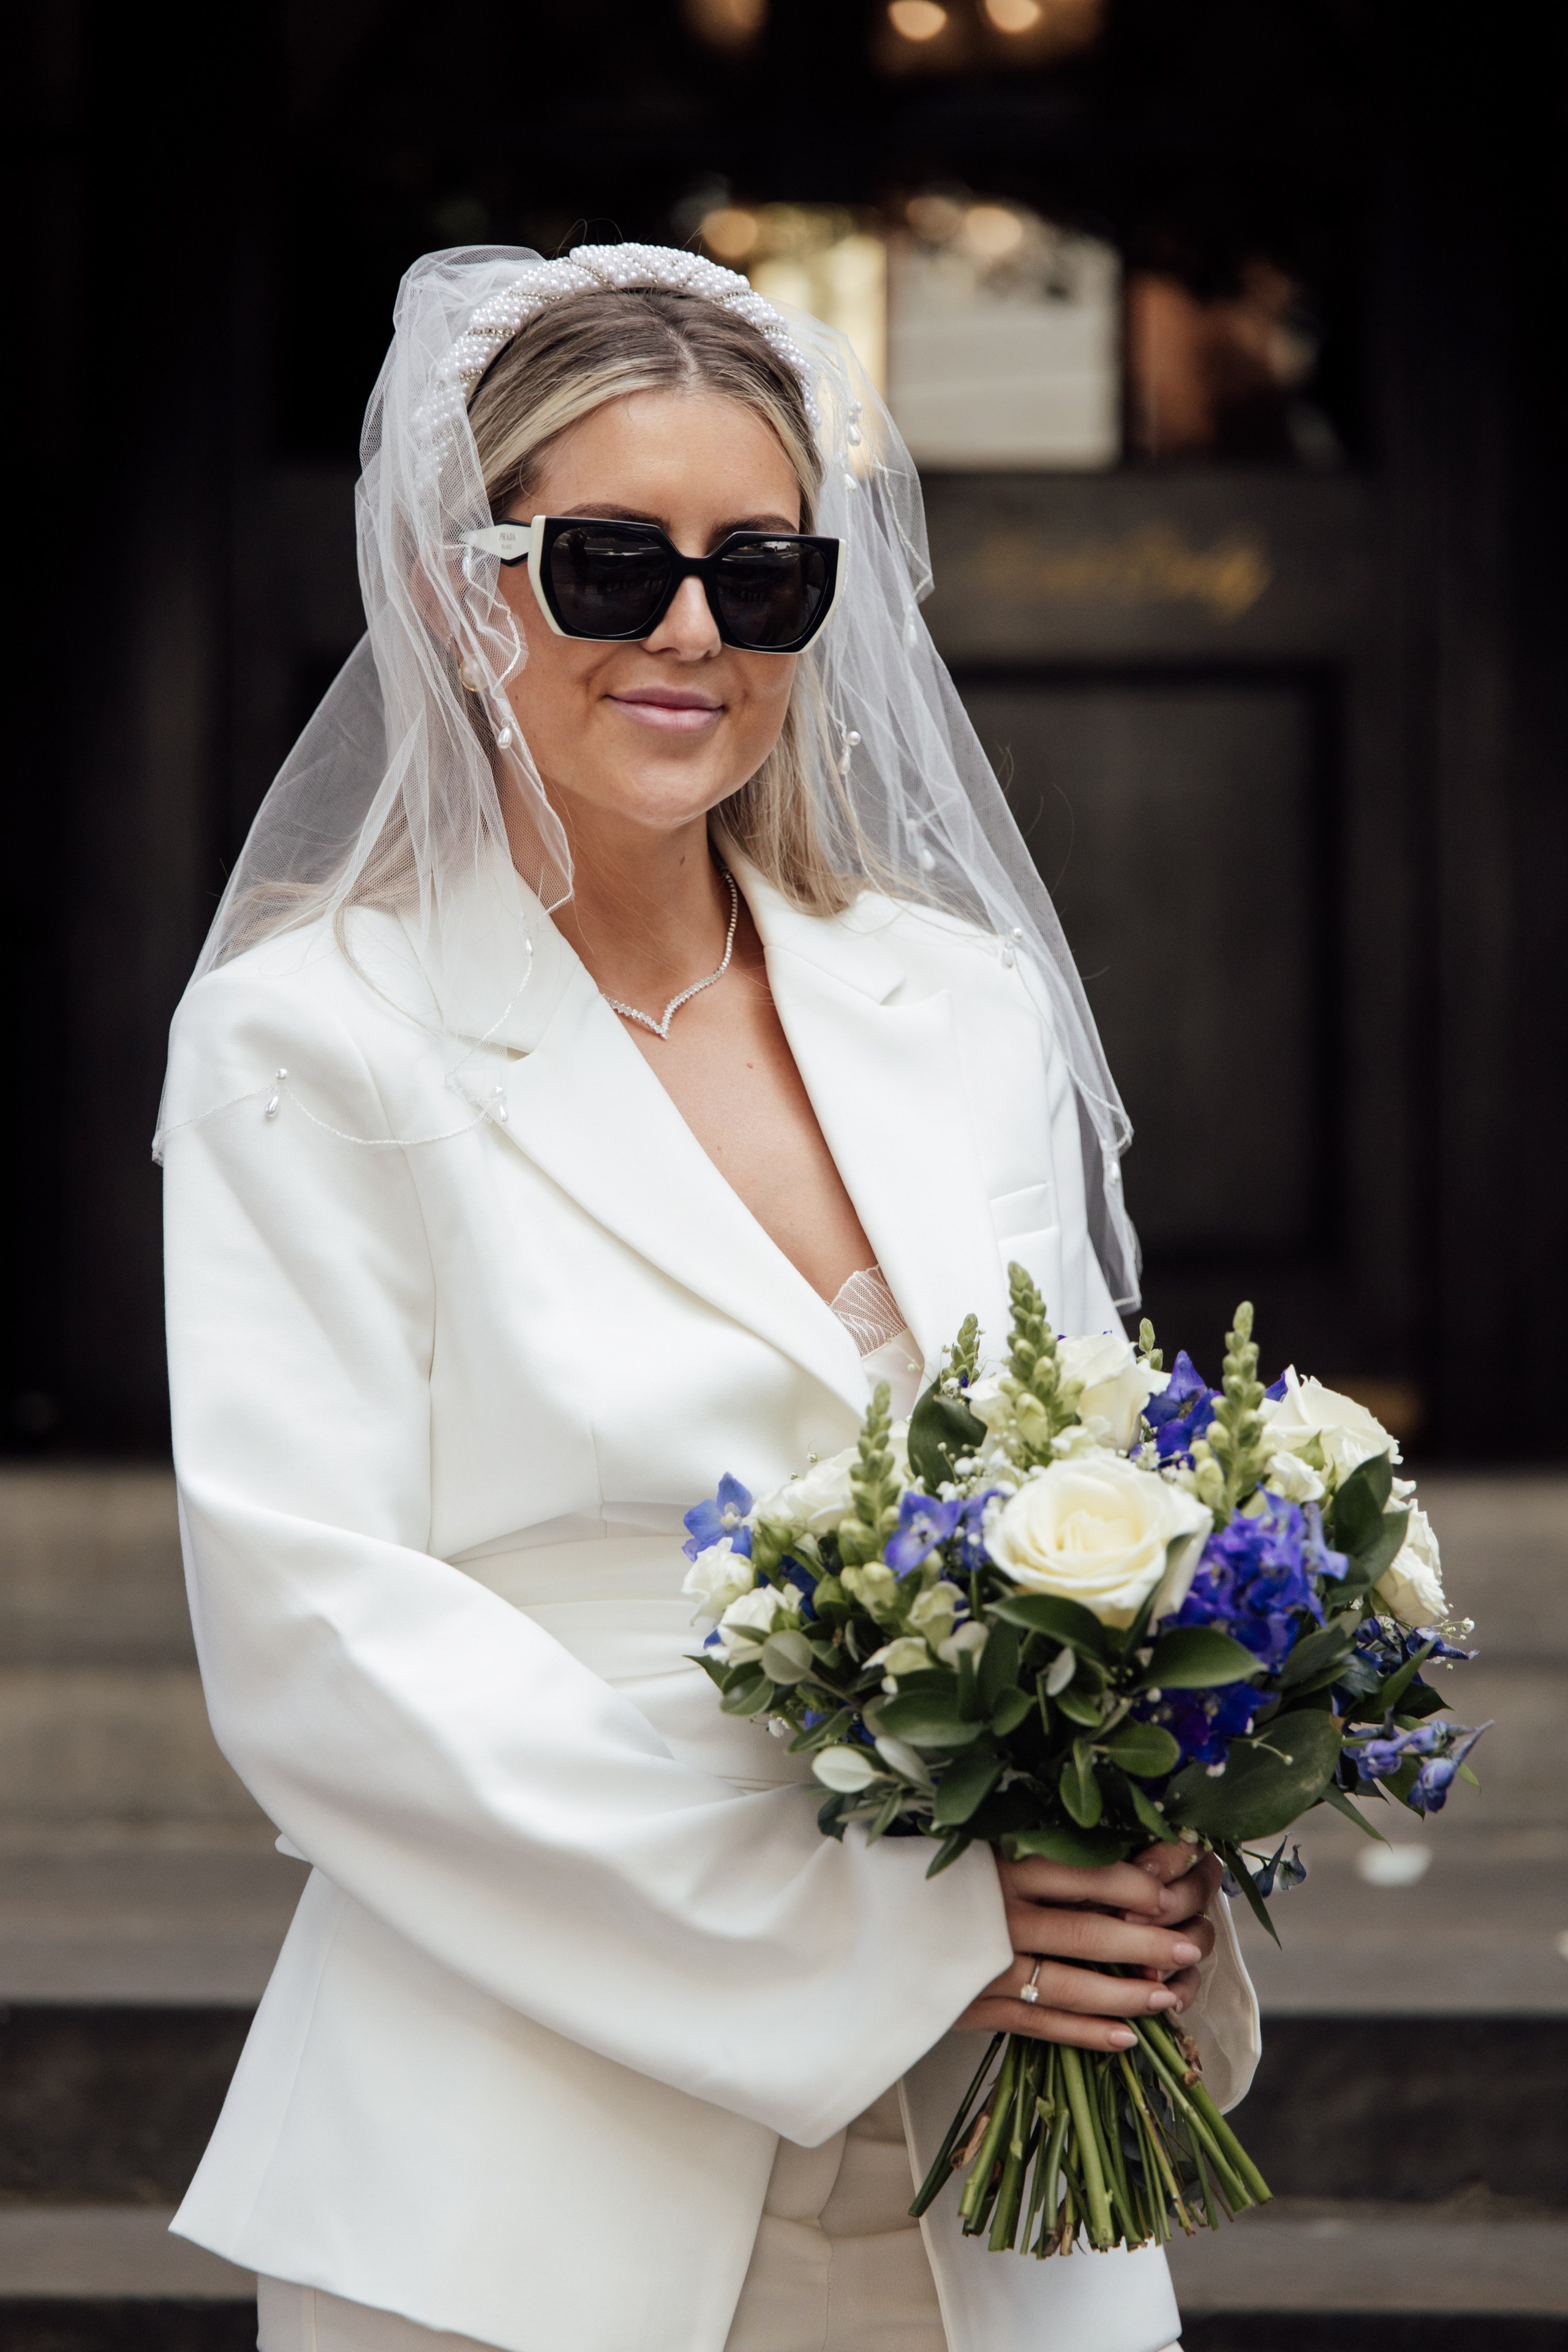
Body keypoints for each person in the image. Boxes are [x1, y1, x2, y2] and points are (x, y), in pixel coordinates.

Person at [157, 244, 1259, 2352]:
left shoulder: (960, 1003)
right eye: (607, 564)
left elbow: (1110, 1485)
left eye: (763, 576)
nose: (690, 631)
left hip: (994, 2165)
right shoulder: (317, 1040)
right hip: (519, 2153)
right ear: (455, 582)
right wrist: (905, 1917)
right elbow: (321, 1645)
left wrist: (1152, 1819)